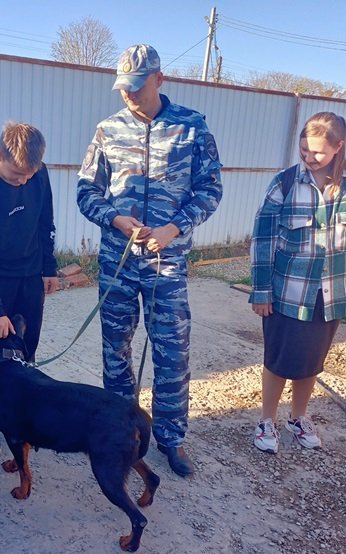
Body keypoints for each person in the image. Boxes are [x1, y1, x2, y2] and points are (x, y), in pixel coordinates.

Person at [76, 44, 222, 477]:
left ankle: (171, 439)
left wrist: (173, 229)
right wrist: (117, 220)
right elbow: (87, 191)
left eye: (137, 87)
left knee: (172, 353)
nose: (129, 95)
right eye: (124, 88)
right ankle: (120, 433)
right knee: (116, 351)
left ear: (159, 79)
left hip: (168, 265)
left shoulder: (192, 128)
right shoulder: (108, 129)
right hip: (117, 262)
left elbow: (210, 190)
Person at [250, 112, 346, 454]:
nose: (309, 158)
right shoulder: (284, 183)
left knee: (312, 361)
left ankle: (298, 417)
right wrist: (261, 289)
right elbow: (263, 238)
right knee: (278, 359)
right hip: (286, 291)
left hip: (331, 293)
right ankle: (266, 419)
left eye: (317, 152)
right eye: (304, 150)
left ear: (339, 146)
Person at [0, 121, 58, 457]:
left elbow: (47, 221)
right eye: (17, 174)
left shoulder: (40, 174)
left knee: (26, 346)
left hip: (30, 275)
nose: (24, 181)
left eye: (29, 175)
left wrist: (49, 267)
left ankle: (22, 411)